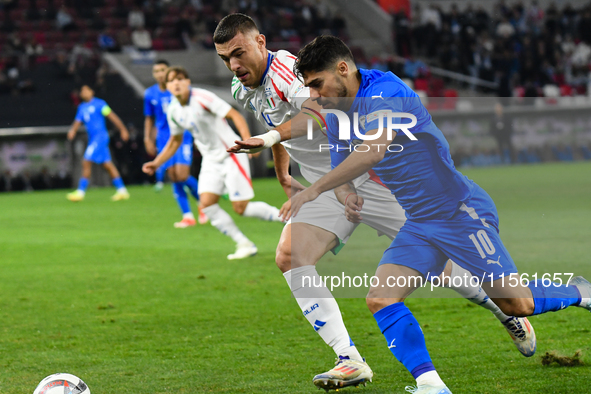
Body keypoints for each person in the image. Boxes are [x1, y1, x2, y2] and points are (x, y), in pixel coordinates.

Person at [215, 14, 536, 392]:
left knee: (440, 263)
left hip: (374, 178)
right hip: (330, 187)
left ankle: (506, 309)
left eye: (238, 53)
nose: (233, 65)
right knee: (289, 255)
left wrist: (268, 139)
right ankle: (349, 359)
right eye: (225, 59)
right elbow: (279, 127)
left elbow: (317, 113)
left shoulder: (287, 71)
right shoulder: (243, 88)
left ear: (261, 43)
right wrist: (283, 171)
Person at [280, 35, 590, 393]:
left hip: (460, 211)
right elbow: (340, 166)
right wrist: (346, 194)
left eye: (317, 83)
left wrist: (315, 190)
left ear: (344, 68)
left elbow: (372, 152)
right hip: (420, 223)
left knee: (516, 303)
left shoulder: (385, 91)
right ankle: (431, 385)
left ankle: (579, 291)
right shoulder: (335, 115)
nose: (314, 95)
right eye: (309, 87)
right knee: (380, 298)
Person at [142, 66, 283, 260]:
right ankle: (244, 243)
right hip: (210, 160)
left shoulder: (202, 98)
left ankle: (289, 219)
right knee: (207, 205)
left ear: (188, 82)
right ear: (166, 86)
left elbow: (234, 115)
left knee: (241, 208)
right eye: (171, 80)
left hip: (232, 154)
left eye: (180, 78)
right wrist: (156, 163)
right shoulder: (173, 110)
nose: (176, 83)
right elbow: (175, 141)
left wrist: (247, 140)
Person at [144, 59, 207, 227]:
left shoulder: (177, 89)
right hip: (163, 138)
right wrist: (147, 138)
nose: (160, 74)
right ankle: (187, 215)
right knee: (173, 176)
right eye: (156, 71)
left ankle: (204, 204)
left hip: (182, 135)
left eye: (163, 70)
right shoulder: (150, 94)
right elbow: (149, 118)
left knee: (183, 174)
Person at [66, 84, 130, 202]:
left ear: (92, 92)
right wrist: (72, 131)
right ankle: (122, 191)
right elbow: (77, 121)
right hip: (93, 138)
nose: (84, 92)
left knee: (86, 161)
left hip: (100, 137)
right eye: (82, 91)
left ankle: (80, 192)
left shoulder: (100, 104)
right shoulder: (82, 107)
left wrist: (123, 129)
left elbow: (112, 116)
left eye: (86, 90)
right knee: (107, 165)